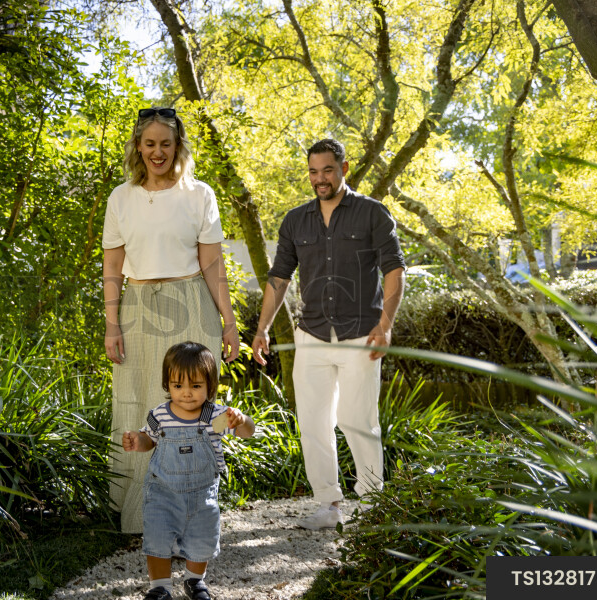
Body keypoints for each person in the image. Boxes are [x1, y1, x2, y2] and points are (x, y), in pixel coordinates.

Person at [251, 138, 405, 529]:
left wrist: (385, 326)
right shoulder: (295, 221)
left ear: (344, 168)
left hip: (360, 335)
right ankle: (327, 506)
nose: (320, 179)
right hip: (312, 335)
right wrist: (263, 328)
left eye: (328, 170)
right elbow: (279, 278)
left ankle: (371, 506)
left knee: (358, 420)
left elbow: (394, 271)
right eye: (313, 172)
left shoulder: (373, 214)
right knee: (313, 423)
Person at [103, 107, 240, 534]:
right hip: (138, 304)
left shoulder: (199, 194)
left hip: (191, 301)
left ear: (178, 146)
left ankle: (194, 516)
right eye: (150, 144)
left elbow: (213, 264)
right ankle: (142, 516)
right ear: (137, 148)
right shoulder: (121, 198)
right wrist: (111, 323)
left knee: (192, 406)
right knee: (142, 402)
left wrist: (230, 323)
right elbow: (112, 264)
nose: (158, 152)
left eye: (166, 143)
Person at [123, 342, 255, 600]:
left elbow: (246, 433)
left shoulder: (213, 416)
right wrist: (138, 442)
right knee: (157, 538)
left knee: (202, 538)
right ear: (167, 384)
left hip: (201, 493)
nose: (186, 393)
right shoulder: (158, 415)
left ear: (210, 385)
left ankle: (195, 581)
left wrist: (242, 420)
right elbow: (149, 439)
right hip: (163, 491)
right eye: (177, 385)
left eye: (195, 386)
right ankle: (159, 586)